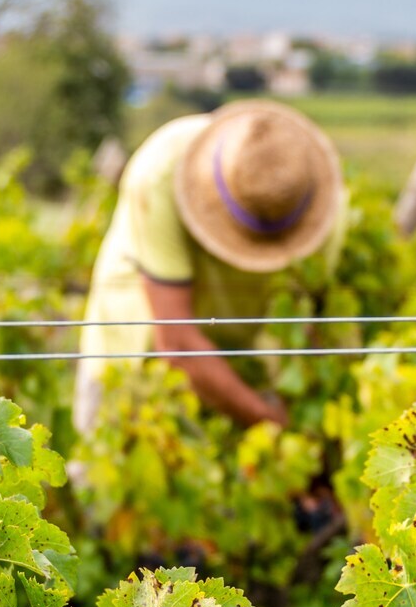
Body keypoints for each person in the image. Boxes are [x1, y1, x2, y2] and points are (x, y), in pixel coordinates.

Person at [73, 100, 346, 434]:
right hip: (130, 353)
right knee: (105, 469)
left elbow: (302, 323)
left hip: (241, 360)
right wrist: (268, 420)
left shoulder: (318, 208)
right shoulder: (161, 172)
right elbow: (176, 342)